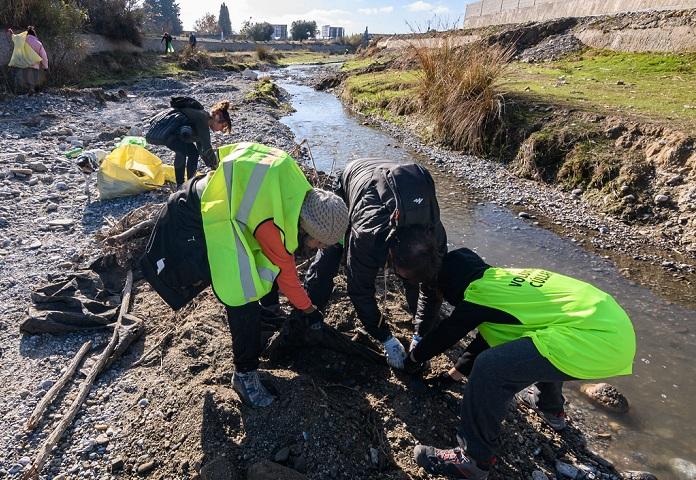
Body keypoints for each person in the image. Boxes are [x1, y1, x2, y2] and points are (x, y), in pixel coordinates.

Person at [140, 142, 349, 407]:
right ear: (307, 230)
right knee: (243, 296)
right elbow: (286, 276)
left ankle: (268, 312)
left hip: (207, 197)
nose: (320, 250)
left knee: (259, 273)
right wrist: (310, 311)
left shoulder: (292, 182)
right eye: (320, 244)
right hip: (196, 222)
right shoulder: (275, 226)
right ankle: (245, 376)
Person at [405, 248, 636, 479]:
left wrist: (413, 358)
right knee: (540, 342)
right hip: (609, 322)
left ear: (451, 285)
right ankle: (551, 409)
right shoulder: (501, 279)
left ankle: (472, 460)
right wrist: (452, 375)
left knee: (490, 368)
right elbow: (488, 338)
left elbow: (447, 333)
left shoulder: (478, 294)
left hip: (596, 339)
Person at [304, 159, 447, 369]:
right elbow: (359, 291)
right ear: (390, 255)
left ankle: (419, 324)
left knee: (418, 280)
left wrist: (421, 334)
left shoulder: (436, 236)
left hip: (393, 187)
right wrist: (385, 337)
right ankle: (310, 312)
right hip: (355, 179)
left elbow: (433, 287)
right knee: (330, 249)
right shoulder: (367, 236)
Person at [145, 98, 231, 188]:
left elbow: (202, 150)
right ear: (217, 116)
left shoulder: (202, 119)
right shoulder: (203, 119)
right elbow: (207, 147)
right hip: (167, 131)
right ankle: (181, 185)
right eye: (223, 126)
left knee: (193, 153)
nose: (221, 130)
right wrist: (218, 168)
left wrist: (212, 166)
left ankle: (188, 184)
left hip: (173, 133)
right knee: (182, 152)